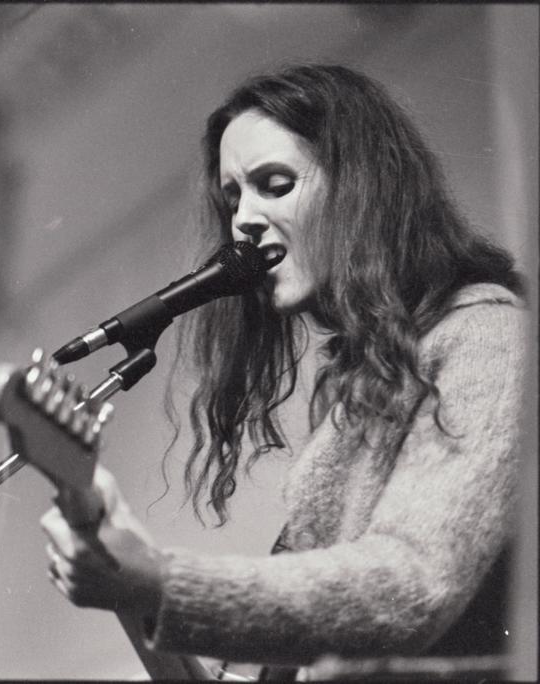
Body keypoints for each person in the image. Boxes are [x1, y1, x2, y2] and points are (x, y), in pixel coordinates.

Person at [40, 63, 528, 679]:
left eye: (274, 183)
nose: (241, 218)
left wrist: (159, 582)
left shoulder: (487, 336)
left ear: (364, 189)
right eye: (232, 197)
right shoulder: (364, 389)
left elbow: (411, 585)